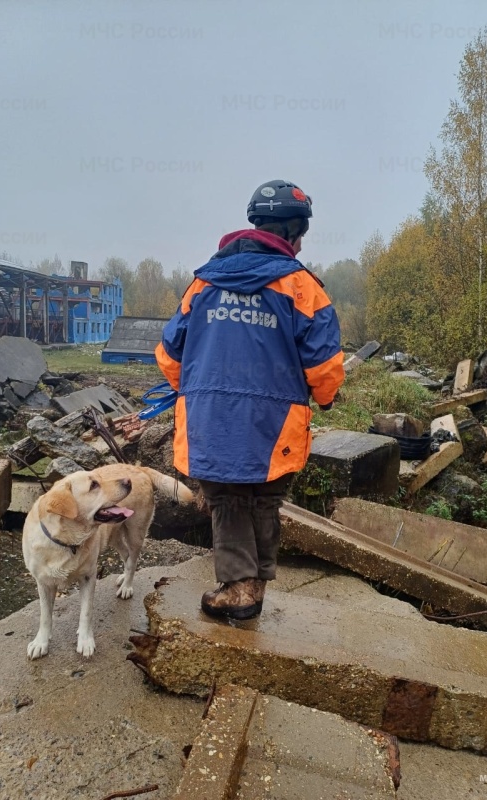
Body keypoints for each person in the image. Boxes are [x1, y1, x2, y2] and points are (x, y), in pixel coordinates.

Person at [155, 179, 344, 620]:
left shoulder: (202, 283)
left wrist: (199, 389)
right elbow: (325, 365)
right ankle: (249, 586)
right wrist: (326, 397)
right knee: (263, 499)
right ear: (294, 232)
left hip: (210, 419)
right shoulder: (302, 287)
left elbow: (168, 355)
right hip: (275, 422)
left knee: (226, 500)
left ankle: (241, 588)